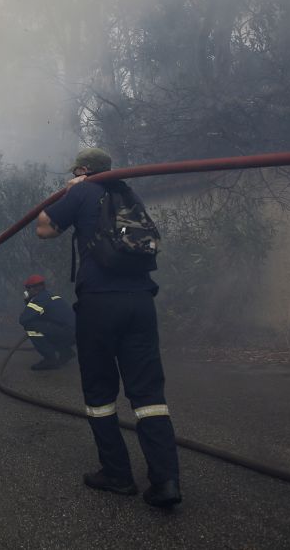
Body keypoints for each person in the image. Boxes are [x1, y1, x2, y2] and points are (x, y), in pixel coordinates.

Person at [35, 148, 181, 508]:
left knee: (100, 392)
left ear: (82, 169)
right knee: (149, 397)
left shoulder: (83, 191)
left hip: (100, 303)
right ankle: (166, 482)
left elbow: (44, 228)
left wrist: (70, 192)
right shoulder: (127, 193)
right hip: (141, 302)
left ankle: (117, 475)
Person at [18, 274, 76, 371]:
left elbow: (23, 319)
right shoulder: (51, 296)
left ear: (36, 288)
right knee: (46, 328)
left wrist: (28, 302)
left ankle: (50, 360)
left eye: (28, 288)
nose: (27, 291)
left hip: (65, 333)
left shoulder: (39, 299)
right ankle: (66, 353)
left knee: (31, 326)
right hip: (74, 334)